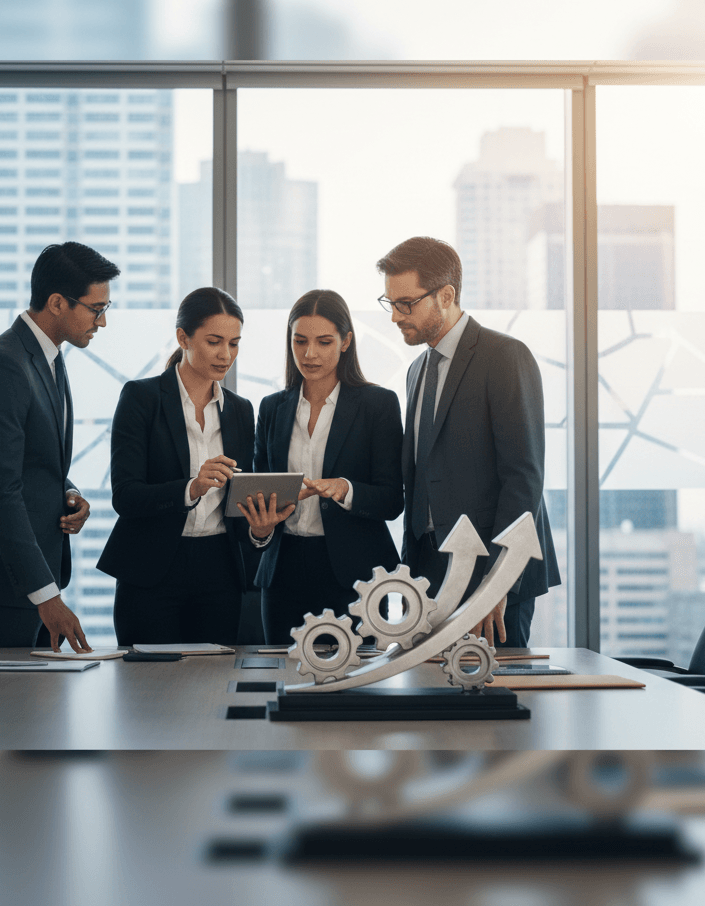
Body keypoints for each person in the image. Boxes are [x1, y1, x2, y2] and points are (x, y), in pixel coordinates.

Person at [376, 237, 560, 648]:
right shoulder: (417, 371)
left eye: (406, 303)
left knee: (491, 705)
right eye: (390, 304)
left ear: (446, 295)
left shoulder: (505, 356)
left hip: (488, 574)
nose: (395, 317)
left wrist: (497, 584)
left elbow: (523, 479)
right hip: (426, 576)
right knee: (428, 705)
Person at [0, 241, 120, 651]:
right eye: (97, 309)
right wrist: (46, 595)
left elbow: (33, 458)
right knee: (3, 712)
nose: (102, 322)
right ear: (58, 302)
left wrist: (68, 491)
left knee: (37, 710)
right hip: (2, 584)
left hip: (31, 578)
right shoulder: (3, 365)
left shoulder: (46, 359)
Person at [98, 287, 294, 646]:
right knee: (149, 687)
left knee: (212, 686)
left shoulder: (240, 410)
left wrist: (260, 531)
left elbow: (238, 505)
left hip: (218, 570)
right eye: (214, 341)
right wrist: (193, 487)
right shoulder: (141, 398)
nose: (225, 354)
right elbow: (125, 496)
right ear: (183, 338)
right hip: (152, 569)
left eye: (234, 343)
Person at [253, 289, 404, 645]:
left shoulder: (378, 405)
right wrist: (260, 528)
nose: (310, 353)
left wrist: (347, 489)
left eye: (324, 342)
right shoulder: (272, 407)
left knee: (355, 689)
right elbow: (259, 490)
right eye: (300, 341)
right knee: (281, 681)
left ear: (346, 341)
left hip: (355, 576)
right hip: (283, 573)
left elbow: (391, 500)